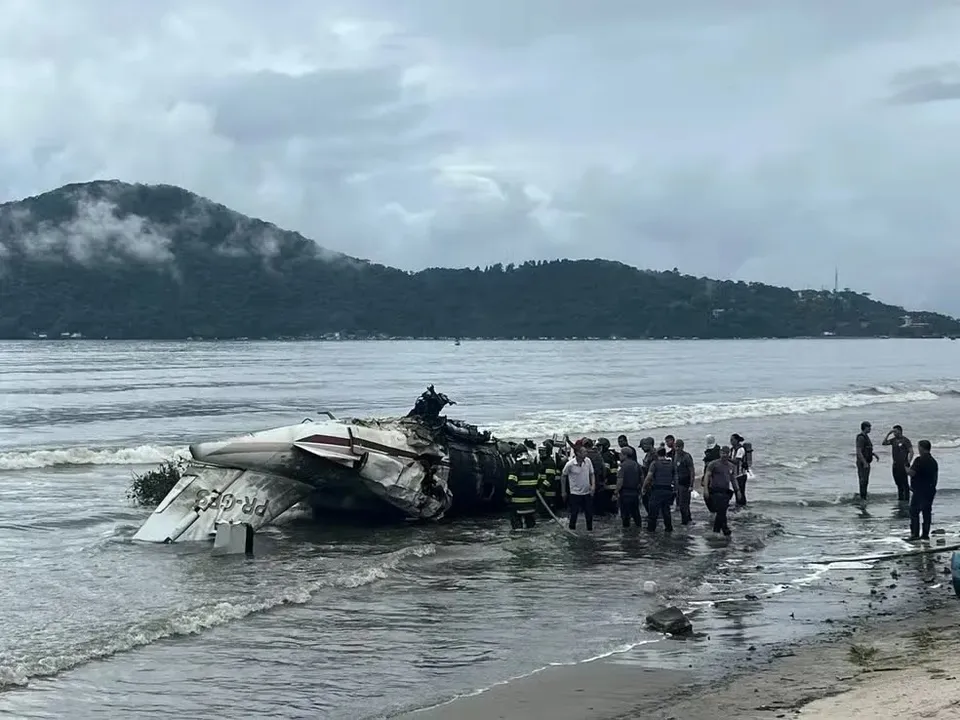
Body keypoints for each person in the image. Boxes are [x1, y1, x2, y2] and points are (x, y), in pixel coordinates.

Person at [703, 446, 741, 536]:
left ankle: (723, 529)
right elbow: (707, 476)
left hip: (725, 491)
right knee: (721, 511)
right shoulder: (713, 464)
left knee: (722, 511)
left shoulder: (731, 466)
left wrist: (738, 491)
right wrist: (705, 489)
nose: (724, 455)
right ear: (720, 453)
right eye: (723, 453)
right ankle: (718, 531)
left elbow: (733, 479)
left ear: (729, 454)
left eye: (726, 453)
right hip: (715, 491)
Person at [906, 440, 938, 541]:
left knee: (914, 511)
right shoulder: (933, 461)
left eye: (919, 447)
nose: (918, 449)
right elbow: (935, 477)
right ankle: (925, 534)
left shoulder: (919, 460)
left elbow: (911, 473)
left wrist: (905, 466)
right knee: (926, 512)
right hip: (930, 490)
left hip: (919, 490)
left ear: (922, 448)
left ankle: (915, 534)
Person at [561, 442, 595, 531]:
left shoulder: (588, 461)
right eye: (584, 452)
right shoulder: (570, 464)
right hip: (575, 493)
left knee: (589, 513)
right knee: (574, 514)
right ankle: (572, 530)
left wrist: (593, 486)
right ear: (578, 453)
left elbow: (592, 474)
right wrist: (563, 491)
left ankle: (589, 530)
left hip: (587, 492)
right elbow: (563, 476)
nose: (586, 453)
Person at [642, 446, 677, 533]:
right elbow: (676, 478)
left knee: (653, 512)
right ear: (665, 454)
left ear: (657, 454)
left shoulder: (655, 464)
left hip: (657, 490)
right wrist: (675, 489)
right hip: (668, 490)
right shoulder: (671, 464)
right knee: (666, 511)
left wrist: (644, 487)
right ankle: (669, 529)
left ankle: (651, 531)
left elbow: (649, 477)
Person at [506, 447, 541, 529]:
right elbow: (538, 483)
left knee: (517, 527)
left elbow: (512, 484)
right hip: (531, 503)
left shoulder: (515, 467)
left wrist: (507, 496)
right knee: (530, 525)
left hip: (517, 504)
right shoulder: (533, 467)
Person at [882, 425, 914, 503]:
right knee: (898, 483)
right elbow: (884, 443)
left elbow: (911, 452)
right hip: (895, 464)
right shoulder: (893, 440)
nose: (894, 433)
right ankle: (900, 499)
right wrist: (888, 434)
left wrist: (908, 462)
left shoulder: (905, 440)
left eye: (895, 431)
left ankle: (906, 500)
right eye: (893, 431)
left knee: (904, 483)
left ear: (900, 431)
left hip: (903, 464)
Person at [615, 445, 643, 528]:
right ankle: (638, 530)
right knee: (636, 514)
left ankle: (627, 535)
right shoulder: (636, 465)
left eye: (621, 454)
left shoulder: (622, 466)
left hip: (625, 493)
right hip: (635, 493)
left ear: (625, 455)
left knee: (625, 516)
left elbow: (620, 480)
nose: (619, 456)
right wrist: (641, 489)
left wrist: (616, 492)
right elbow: (642, 478)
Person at [673, 438, 696, 525]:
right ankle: (688, 519)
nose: (677, 449)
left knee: (684, 504)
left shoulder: (687, 456)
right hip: (678, 483)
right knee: (680, 504)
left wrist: (691, 485)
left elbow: (692, 471)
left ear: (682, 447)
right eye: (676, 447)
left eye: (679, 447)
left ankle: (685, 522)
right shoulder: (675, 456)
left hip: (686, 483)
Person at [855, 421, 880, 501]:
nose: (870, 429)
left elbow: (866, 449)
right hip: (863, 463)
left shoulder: (866, 437)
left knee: (865, 481)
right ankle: (863, 498)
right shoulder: (861, 437)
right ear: (865, 427)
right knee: (863, 480)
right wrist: (864, 462)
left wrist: (873, 454)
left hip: (867, 461)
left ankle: (864, 496)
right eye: (869, 427)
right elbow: (859, 451)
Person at [536, 441, 561, 515]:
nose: (541, 453)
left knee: (549, 510)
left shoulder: (549, 462)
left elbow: (550, 477)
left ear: (548, 451)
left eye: (543, 451)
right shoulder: (542, 462)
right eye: (540, 450)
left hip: (548, 491)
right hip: (542, 491)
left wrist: (543, 487)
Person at [597, 437, 620, 514]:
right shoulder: (612, 454)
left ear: (604, 446)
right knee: (613, 504)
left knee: (607, 505)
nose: (598, 448)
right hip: (614, 482)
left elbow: (606, 470)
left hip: (608, 484)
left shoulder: (605, 456)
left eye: (599, 446)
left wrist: (601, 479)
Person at [638, 437, 656, 512]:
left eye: (643, 446)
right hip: (648, 481)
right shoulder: (648, 454)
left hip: (652, 482)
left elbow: (653, 469)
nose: (642, 448)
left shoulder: (654, 455)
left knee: (650, 501)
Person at [730, 433, 749, 506]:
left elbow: (736, 461)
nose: (731, 442)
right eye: (730, 440)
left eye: (732, 440)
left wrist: (727, 458)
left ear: (737, 440)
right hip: (734, 475)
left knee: (741, 491)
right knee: (737, 491)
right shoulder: (732, 450)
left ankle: (742, 506)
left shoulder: (741, 449)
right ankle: (739, 505)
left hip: (741, 475)